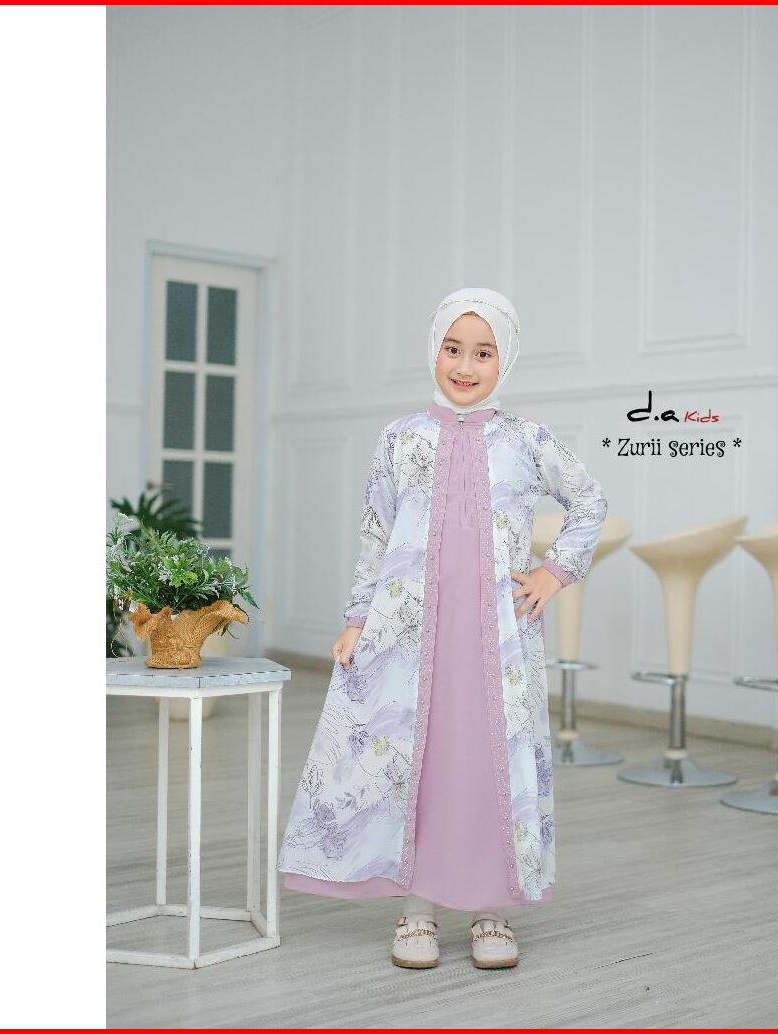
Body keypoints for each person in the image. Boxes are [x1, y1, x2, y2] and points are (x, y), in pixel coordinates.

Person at [277, 287, 608, 970]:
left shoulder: (526, 440)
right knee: (416, 758)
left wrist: (554, 572)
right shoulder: (400, 440)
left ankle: (491, 910)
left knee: (488, 758)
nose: (464, 366)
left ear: (504, 359)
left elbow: (589, 500)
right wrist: (357, 618)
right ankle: (417, 907)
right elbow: (375, 536)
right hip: (408, 637)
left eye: (483, 353)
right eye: (453, 349)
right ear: (434, 349)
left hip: (497, 640)